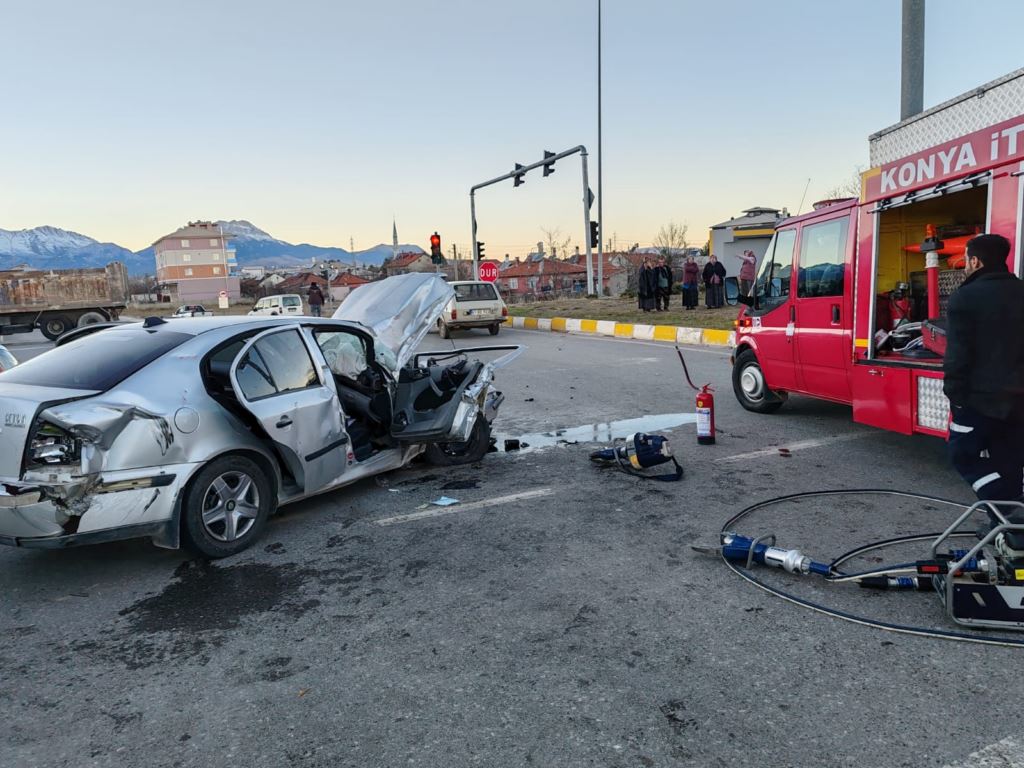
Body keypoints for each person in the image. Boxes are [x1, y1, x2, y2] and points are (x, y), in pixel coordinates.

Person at [945, 233, 1024, 507]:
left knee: (962, 454)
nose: (965, 265)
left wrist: (955, 397)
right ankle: (1009, 532)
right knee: (1008, 460)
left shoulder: (965, 297)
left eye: (966, 260)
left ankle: (1007, 512)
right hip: (1018, 401)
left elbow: (958, 356)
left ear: (976, 261)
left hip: (980, 400)